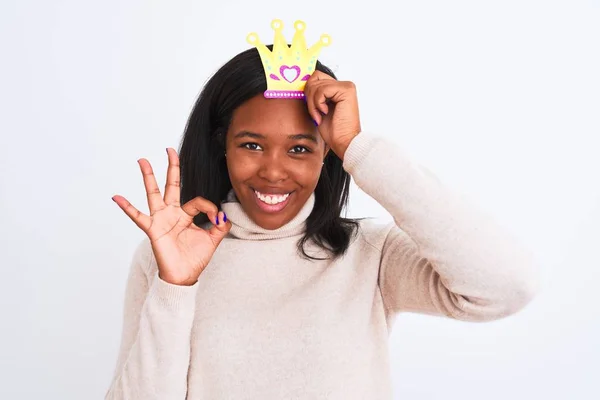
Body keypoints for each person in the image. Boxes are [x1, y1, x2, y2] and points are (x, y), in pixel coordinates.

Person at [106, 45, 539, 399]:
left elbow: (508, 285)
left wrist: (359, 147)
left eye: (299, 149)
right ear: (223, 146)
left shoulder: (370, 253)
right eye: (252, 145)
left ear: (326, 152)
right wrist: (174, 290)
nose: (274, 172)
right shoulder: (167, 259)